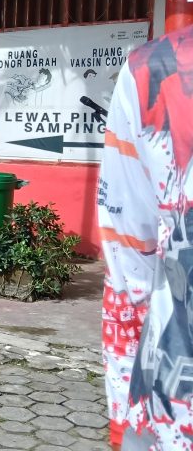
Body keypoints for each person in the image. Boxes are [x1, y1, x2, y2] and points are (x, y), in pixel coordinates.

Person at [101, 25, 193, 450]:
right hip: (172, 405)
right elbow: (127, 261)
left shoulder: (151, 67)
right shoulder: (152, 69)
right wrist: (126, 412)